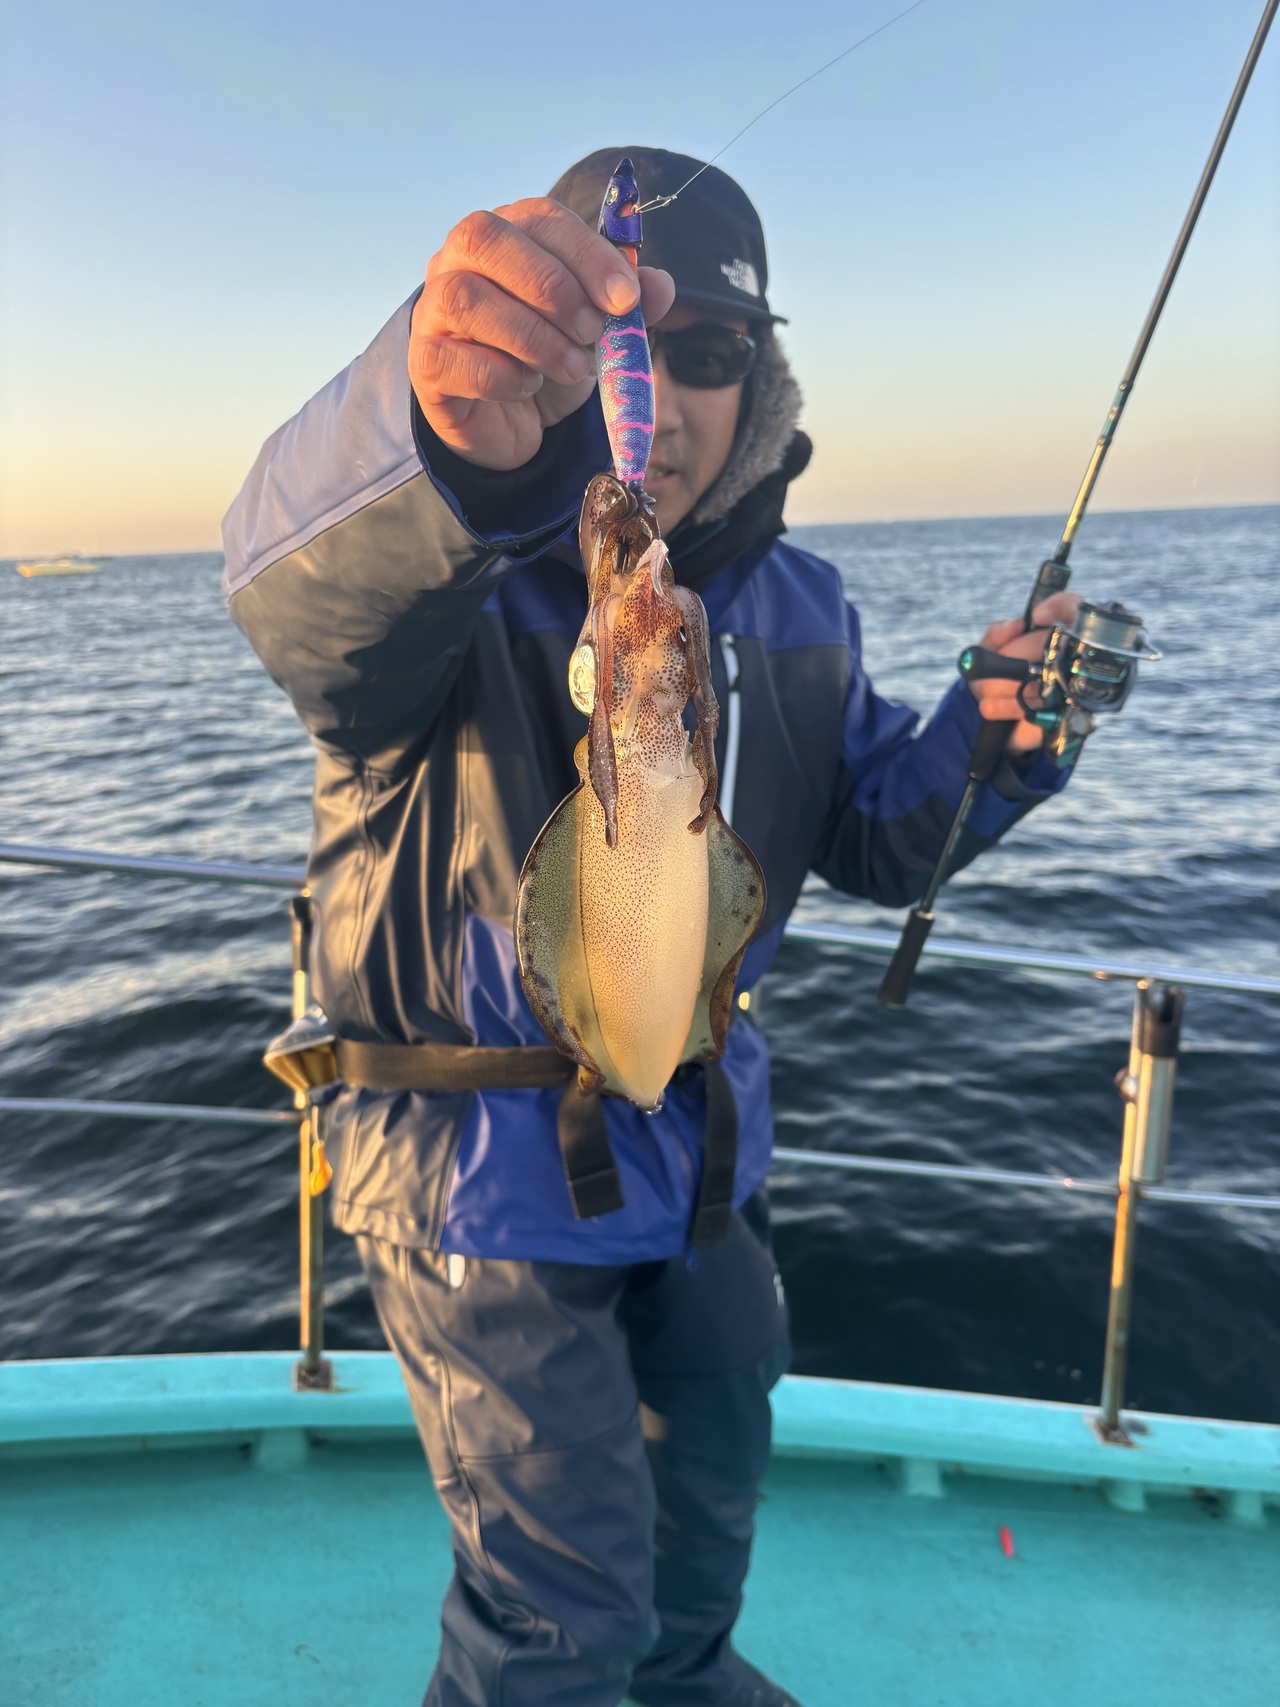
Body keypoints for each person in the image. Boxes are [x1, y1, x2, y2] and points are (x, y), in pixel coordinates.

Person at [223, 147, 1078, 1707]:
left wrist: (991, 737)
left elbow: (876, 833)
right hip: (484, 1173)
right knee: (561, 1610)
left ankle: (694, 1682)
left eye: (713, 354)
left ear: (761, 379)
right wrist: (437, 425)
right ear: (562, 363)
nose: (670, 405)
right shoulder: (445, 582)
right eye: (628, 351)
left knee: (711, 1498)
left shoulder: (805, 604)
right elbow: (302, 597)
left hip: (705, 1156)